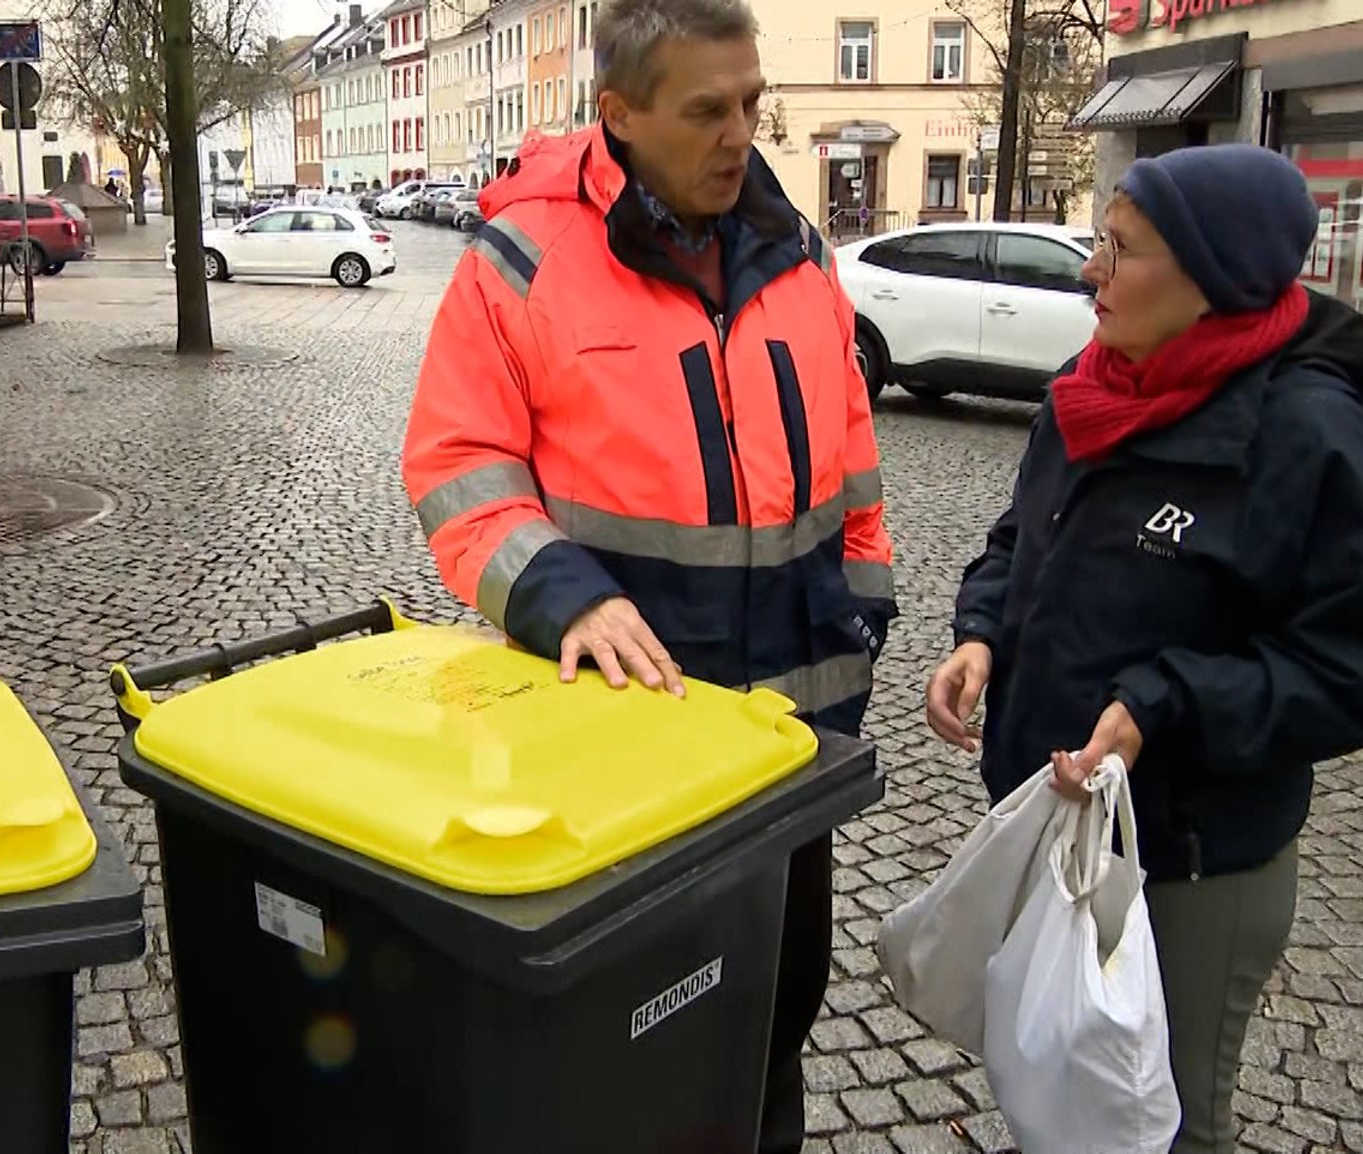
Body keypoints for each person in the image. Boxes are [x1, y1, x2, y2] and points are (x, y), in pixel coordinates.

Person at [400, 0, 895, 1148]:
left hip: (787, 744)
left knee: (772, 1021)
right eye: (706, 111)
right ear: (618, 116)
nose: (740, 135)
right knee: (625, 1045)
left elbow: (853, 456)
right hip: (616, 752)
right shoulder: (520, 260)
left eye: (752, 104)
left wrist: (862, 612)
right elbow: (459, 466)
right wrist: (568, 594)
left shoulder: (798, 255)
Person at [926, 144, 1363, 1154]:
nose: (1088, 270)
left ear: (1213, 275)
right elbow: (1016, 533)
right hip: (1061, 835)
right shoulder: (1094, 383)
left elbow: (1341, 668)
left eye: (1119, 250)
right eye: (1096, 242)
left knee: (1156, 1124)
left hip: (1187, 864)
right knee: (1054, 1094)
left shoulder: (1307, 432)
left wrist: (1159, 701)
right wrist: (981, 630)